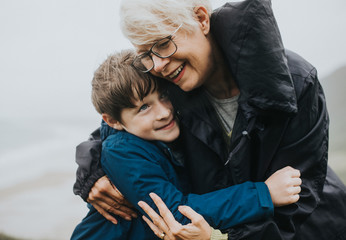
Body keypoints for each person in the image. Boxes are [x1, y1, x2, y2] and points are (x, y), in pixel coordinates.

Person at [73, 0, 346, 239]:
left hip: (313, 227)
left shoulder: (296, 83)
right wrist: (93, 171)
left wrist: (217, 239)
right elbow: (120, 125)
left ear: (201, 19)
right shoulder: (168, 81)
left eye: (163, 44)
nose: (156, 66)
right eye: (147, 54)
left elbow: (298, 199)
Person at [71, 50, 302, 240]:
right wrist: (264, 194)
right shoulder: (123, 153)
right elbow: (176, 215)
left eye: (162, 95)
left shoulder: (157, 137)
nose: (163, 112)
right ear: (113, 120)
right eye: (143, 107)